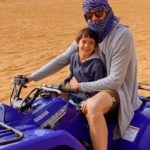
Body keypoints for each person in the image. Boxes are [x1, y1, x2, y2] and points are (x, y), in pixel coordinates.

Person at [27, 0, 142, 150]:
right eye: (88, 15)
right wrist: (32, 77)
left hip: (119, 89)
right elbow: (64, 58)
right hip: (91, 82)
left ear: (107, 11)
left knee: (93, 107)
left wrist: (79, 87)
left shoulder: (121, 36)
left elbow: (115, 80)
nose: (93, 19)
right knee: (52, 99)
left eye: (98, 13)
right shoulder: (90, 34)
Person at [64, 27, 106, 100]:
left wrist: (78, 88)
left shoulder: (97, 64)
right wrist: (67, 82)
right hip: (71, 92)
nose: (86, 46)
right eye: (84, 41)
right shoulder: (73, 57)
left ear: (95, 46)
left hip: (86, 99)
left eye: (91, 43)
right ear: (77, 43)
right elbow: (72, 75)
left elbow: (98, 89)